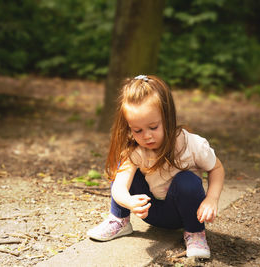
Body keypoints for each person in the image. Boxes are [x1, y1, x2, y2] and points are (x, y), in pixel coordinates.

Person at [87, 75, 225, 258]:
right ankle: (119, 220)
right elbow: (120, 186)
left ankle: (195, 233)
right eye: (138, 130)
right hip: (149, 211)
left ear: (167, 118)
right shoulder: (136, 150)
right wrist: (128, 202)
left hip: (181, 213)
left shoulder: (191, 144)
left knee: (187, 180)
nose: (147, 136)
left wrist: (211, 199)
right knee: (123, 165)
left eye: (153, 127)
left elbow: (217, 168)